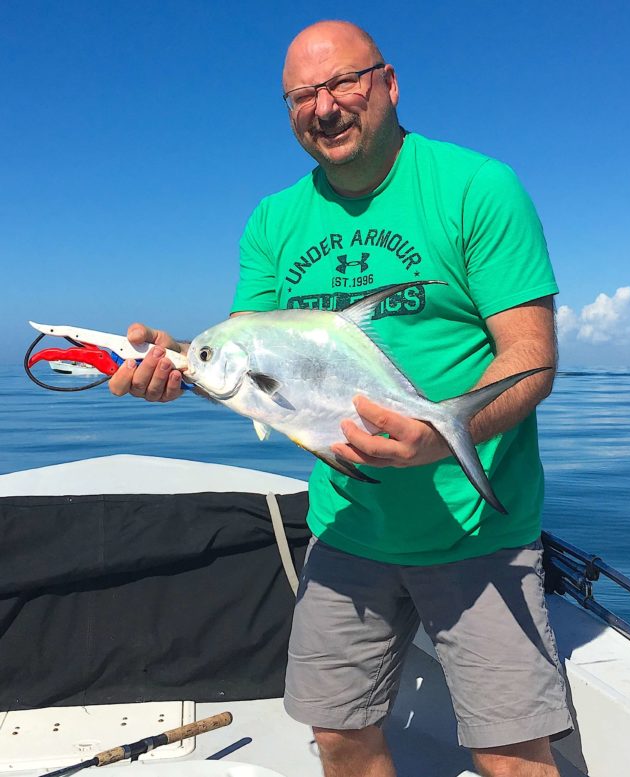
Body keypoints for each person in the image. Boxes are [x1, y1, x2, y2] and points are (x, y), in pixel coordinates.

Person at [110, 20, 573, 777]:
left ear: (389, 84)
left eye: (342, 83)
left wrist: (440, 435)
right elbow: (251, 363)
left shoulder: (477, 188)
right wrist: (181, 365)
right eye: (302, 95)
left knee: (511, 757)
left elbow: (530, 356)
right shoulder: (274, 220)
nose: (323, 107)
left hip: (478, 533)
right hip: (348, 527)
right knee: (338, 734)